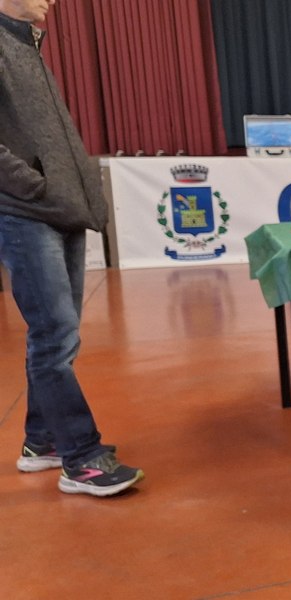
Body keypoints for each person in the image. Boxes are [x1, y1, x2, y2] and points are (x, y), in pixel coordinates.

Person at [0, 0, 143, 496]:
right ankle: (81, 458)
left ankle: (42, 441)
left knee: (56, 334)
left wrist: (68, 191)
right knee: (55, 336)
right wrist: (33, 185)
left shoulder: (27, 45)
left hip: (59, 207)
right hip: (27, 211)